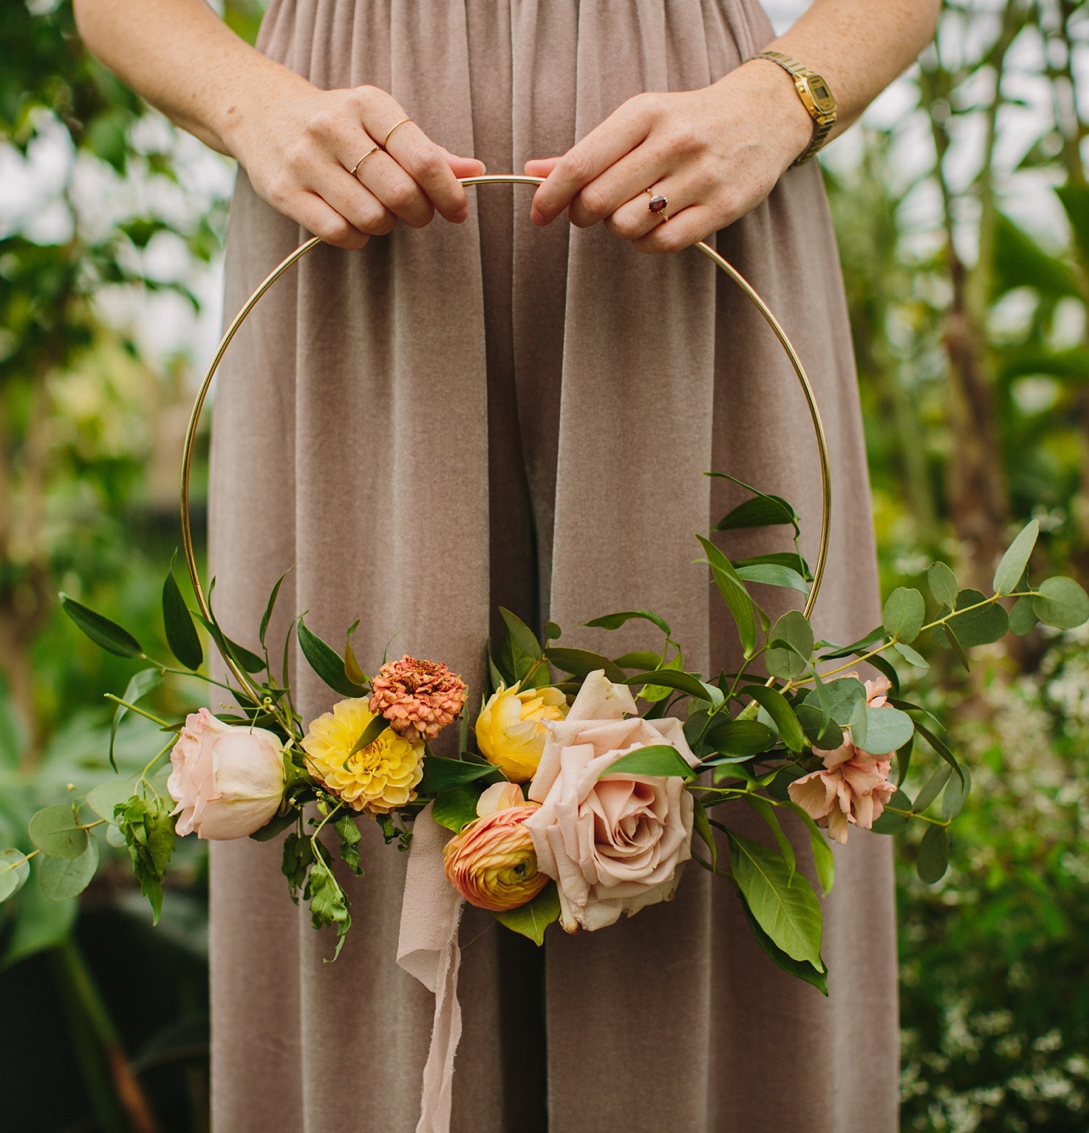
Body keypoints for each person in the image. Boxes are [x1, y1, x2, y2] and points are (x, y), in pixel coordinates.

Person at [75, 1, 941, 1130]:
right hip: (343, 201)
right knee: (363, 764)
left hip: (697, 184)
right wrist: (256, 107)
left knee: (716, 759)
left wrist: (779, 100)